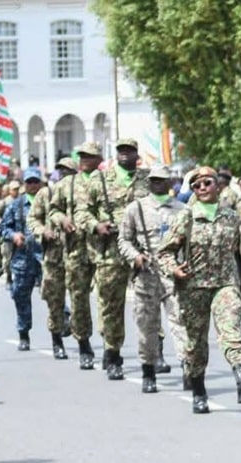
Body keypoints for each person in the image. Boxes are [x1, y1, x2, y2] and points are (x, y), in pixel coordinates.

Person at [158, 166, 241, 414]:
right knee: (196, 344)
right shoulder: (186, 217)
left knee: (231, 328)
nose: (202, 188)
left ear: (217, 186)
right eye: (197, 185)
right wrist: (174, 269)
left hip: (225, 284)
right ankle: (198, 390)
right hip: (193, 288)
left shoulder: (230, 216)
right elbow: (164, 252)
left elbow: (239, 239)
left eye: (207, 183)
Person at [118, 165, 188, 394]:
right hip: (146, 275)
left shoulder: (182, 210)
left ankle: (189, 368)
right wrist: (135, 257)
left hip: (173, 275)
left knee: (181, 323)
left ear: (170, 183)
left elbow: (190, 243)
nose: (158, 183)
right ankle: (148, 370)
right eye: (154, 180)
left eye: (162, 180)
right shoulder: (135, 209)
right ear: (148, 183)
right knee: (147, 327)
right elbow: (124, 240)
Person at [83, 138, 149, 381]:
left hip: (142, 249)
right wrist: (95, 225)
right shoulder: (100, 180)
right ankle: (113, 354)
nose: (124, 155)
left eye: (129, 150)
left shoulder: (148, 179)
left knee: (149, 303)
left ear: (136, 154)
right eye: (121, 150)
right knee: (112, 304)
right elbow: (83, 211)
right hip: (110, 250)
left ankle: (154, 353)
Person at [51, 141, 102, 370]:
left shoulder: (106, 181)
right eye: (81, 155)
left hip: (104, 247)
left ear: (98, 159)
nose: (84, 160)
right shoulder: (66, 184)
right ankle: (83, 342)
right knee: (79, 297)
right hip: (76, 249)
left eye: (89, 156)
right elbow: (54, 210)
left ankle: (111, 345)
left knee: (109, 300)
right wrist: (62, 220)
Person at [29, 157, 77, 360]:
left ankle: (79, 334)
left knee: (79, 298)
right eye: (61, 171)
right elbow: (32, 219)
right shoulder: (45, 194)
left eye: (68, 171)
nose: (63, 175)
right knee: (54, 299)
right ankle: (56, 341)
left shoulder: (81, 193)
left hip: (78, 253)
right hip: (54, 255)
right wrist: (43, 231)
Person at [0, 168, 45, 351]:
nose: (32, 185)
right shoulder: (16, 205)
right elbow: (3, 229)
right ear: (24, 185)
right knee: (20, 296)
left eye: (35, 182)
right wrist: (14, 235)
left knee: (54, 295)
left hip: (45, 256)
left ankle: (59, 334)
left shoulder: (49, 203)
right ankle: (24, 334)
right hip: (23, 257)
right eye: (29, 182)